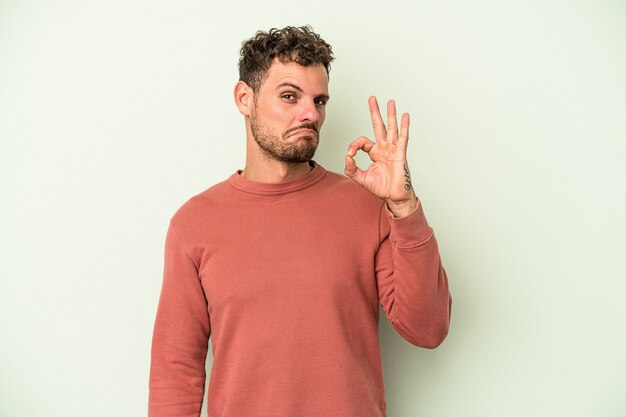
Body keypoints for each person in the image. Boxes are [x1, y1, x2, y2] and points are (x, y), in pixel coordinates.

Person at [148, 25, 452, 417]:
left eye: (319, 100)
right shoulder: (194, 224)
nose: (311, 114)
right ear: (245, 98)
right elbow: (176, 370)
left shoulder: (366, 207)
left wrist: (404, 206)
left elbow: (428, 329)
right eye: (290, 96)